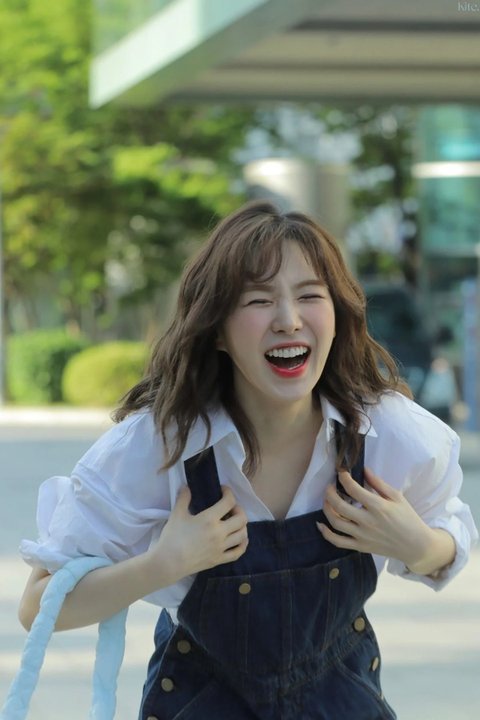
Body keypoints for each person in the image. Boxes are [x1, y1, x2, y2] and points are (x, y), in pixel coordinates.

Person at [18, 201, 477, 720]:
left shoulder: (387, 431)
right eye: (259, 300)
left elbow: (449, 539)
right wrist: (163, 565)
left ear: (337, 315)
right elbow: (39, 605)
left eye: (310, 296)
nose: (288, 320)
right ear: (215, 328)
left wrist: (418, 545)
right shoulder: (159, 444)